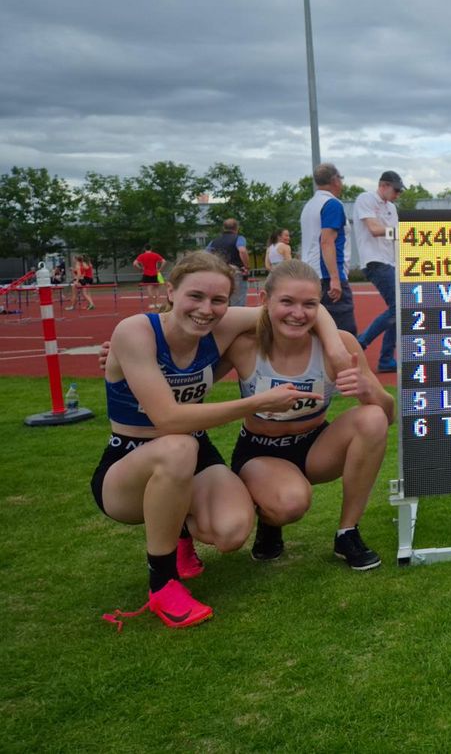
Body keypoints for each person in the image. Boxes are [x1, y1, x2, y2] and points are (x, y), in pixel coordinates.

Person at [93, 252, 334, 630]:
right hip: (132, 461)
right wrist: (257, 403)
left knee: (231, 532)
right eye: (196, 296)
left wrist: (334, 349)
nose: (206, 309)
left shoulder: (219, 327)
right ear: (171, 291)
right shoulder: (136, 331)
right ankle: (162, 583)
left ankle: (182, 532)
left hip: (194, 453)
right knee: (178, 445)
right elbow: (169, 420)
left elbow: (303, 311)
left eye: (219, 300)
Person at [228, 260, 394, 570]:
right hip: (260, 452)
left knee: (372, 417)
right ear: (265, 301)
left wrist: (367, 390)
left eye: (309, 304)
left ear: (320, 308)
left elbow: (389, 414)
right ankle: (269, 518)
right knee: (290, 503)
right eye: (287, 302)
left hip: (315, 448)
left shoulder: (339, 346)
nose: (298, 313)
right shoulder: (243, 345)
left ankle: (347, 533)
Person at [353, 170, 405, 372]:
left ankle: (385, 360)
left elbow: (395, 236)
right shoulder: (366, 199)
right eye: (396, 190)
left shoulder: (391, 207)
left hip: (389, 262)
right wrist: (401, 231)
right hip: (374, 262)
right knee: (397, 307)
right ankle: (361, 343)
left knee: (398, 310)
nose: (398, 195)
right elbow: (374, 230)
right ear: (383, 186)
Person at [301, 163, 358, 334]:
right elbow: (326, 241)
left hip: (310, 275)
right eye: (340, 178)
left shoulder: (310, 205)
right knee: (344, 333)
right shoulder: (332, 204)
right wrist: (335, 278)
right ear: (335, 180)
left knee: (318, 331)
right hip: (327, 277)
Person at [207, 218, 251, 306]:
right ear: (237, 228)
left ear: (224, 228)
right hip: (234, 271)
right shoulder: (239, 238)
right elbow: (242, 250)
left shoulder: (213, 242)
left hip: (219, 272)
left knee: (221, 299)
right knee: (238, 300)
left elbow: (206, 255)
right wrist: (246, 266)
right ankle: (237, 318)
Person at [134, 244, 166, 310]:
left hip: (146, 274)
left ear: (144, 249)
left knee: (149, 289)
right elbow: (164, 261)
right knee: (157, 289)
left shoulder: (142, 256)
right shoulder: (155, 255)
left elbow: (134, 263)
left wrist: (140, 269)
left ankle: (154, 304)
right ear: (151, 248)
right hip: (155, 273)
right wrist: (160, 269)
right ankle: (157, 303)